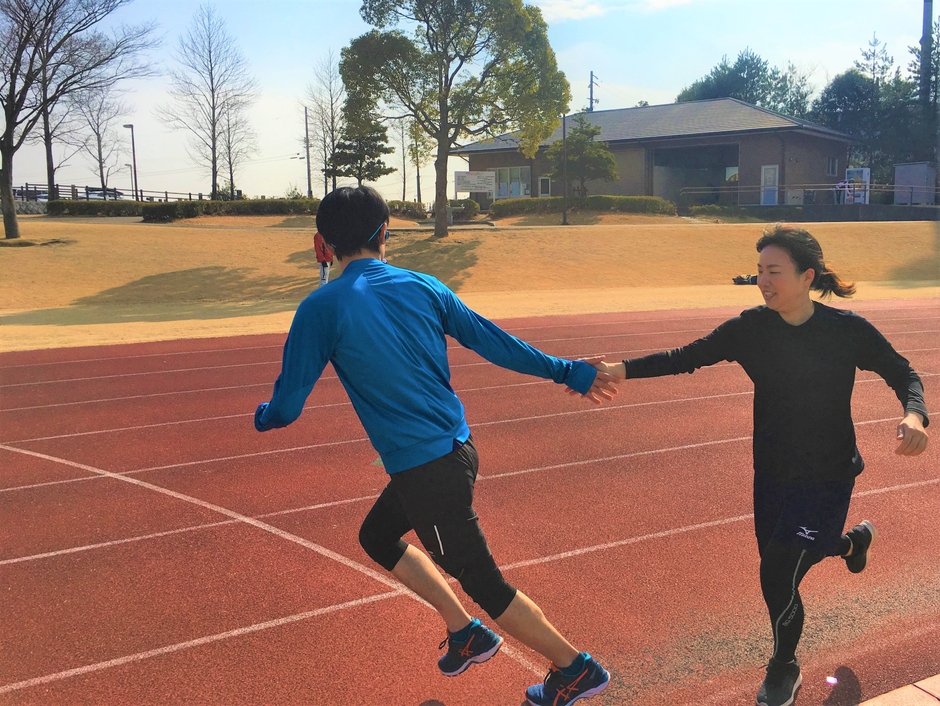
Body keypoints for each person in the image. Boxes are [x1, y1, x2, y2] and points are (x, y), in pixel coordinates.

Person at [256, 186, 618, 705]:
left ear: (323, 244)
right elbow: (494, 342)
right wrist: (569, 371)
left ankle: (575, 668)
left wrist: (263, 417)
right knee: (378, 536)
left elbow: (286, 409)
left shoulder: (321, 307)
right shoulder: (425, 286)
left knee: (487, 586)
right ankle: (465, 632)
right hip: (455, 452)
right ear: (386, 233)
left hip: (428, 473)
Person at [581, 225, 929, 706]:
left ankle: (784, 666)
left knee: (777, 570)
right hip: (772, 474)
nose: (764, 281)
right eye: (760, 271)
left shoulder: (846, 330)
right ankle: (851, 543)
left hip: (828, 475)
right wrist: (620, 368)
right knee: (786, 559)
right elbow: (688, 357)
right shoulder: (750, 328)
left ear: (807, 276)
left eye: (774, 272)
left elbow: (903, 371)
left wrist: (915, 414)